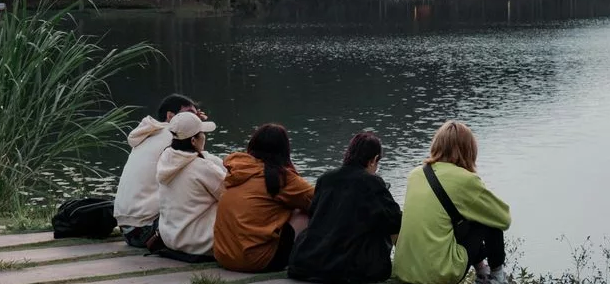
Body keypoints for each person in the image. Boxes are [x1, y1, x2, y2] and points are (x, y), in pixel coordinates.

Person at [393, 121, 511, 284]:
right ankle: (497, 277)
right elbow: (503, 218)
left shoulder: (415, 174)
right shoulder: (466, 180)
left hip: (405, 271)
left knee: (457, 218)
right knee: (489, 218)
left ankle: (482, 271)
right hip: (438, 274)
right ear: (468, 149)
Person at [288, 131, 403, 284]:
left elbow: (313, 215)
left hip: (309, 263)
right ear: (374, 160)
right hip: (350, 269)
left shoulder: (325, 179)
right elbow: (396, 221)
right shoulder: (372, 182)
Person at [213, 123, 314, 273]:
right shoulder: (282, 178)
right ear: (284, 150)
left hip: (224, 256)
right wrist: (292, 171)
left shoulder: (238, 171)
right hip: (258, 261)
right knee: (304, 212)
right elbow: (320, 198)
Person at [113, 94, 203, 247]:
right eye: (189, 114)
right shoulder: (173, 140)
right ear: (170, 116)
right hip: (148, 231)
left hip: (127, 230)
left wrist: (192, 124)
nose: (196, 119)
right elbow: (203, 166)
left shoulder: (149, 135)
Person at [155, 111, 225, 258]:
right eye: (202, 133)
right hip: (200, 243)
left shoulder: (165, 159)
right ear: (193, 141)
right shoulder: (203, 167)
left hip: (170, 239)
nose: (205, 137)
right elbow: (231, 197)